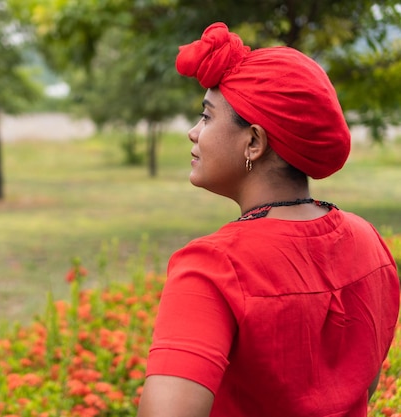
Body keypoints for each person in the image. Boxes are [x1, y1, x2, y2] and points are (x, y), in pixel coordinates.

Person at [137, 22, 400, 417]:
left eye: (207, 117)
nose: (194, 133)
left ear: (255, 142)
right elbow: (366, 385)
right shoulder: (368, 243)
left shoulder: (212, 268)